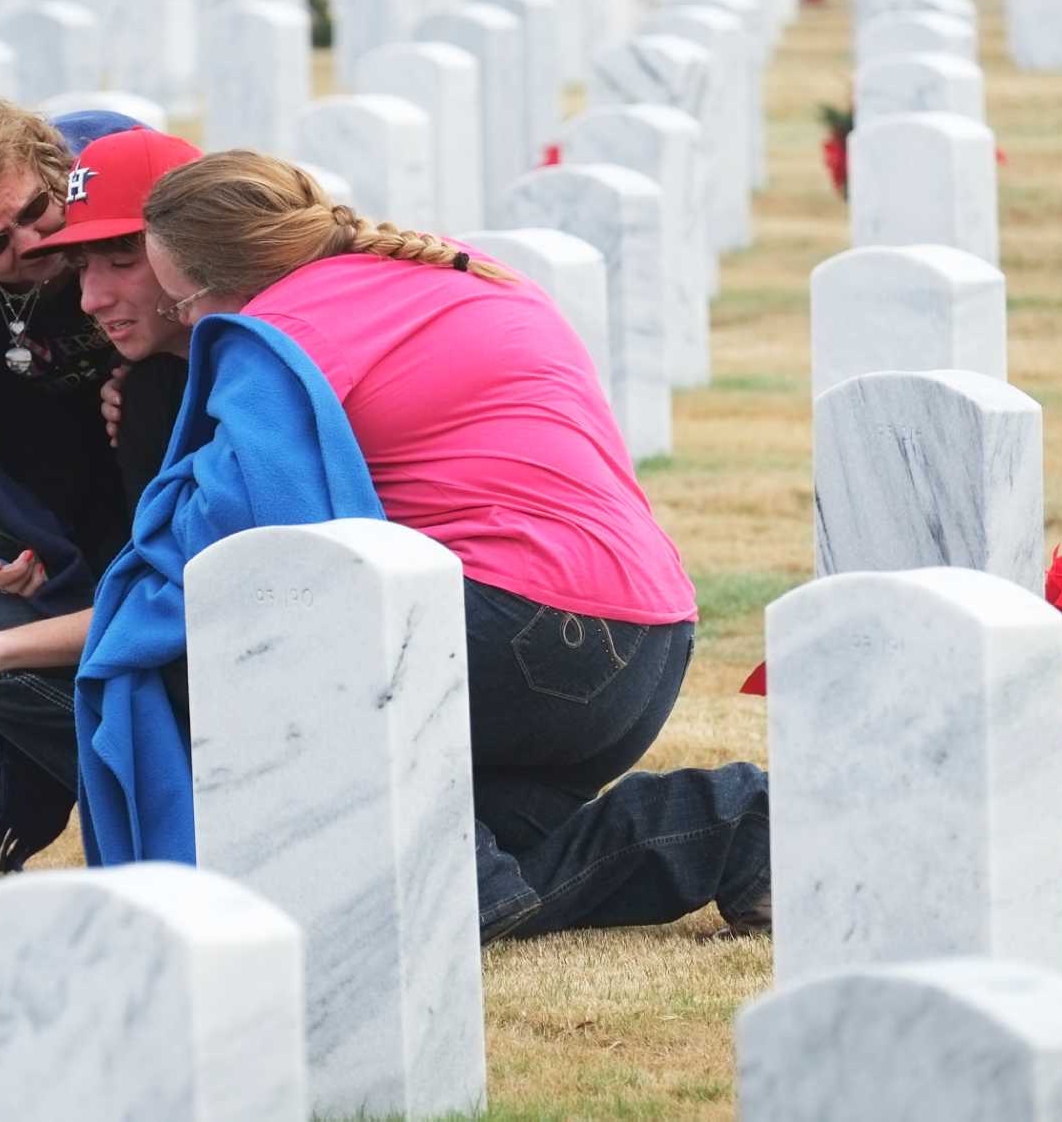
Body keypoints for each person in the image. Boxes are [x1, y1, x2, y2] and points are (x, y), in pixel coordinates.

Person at [84, 149, 770, 941]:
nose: (192, 326)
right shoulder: (453, 269)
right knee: (428, 878)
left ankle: (455, 880)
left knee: (220, 658)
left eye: (185, 303)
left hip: (511, 632)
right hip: (647, 641)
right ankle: (737, 825)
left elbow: (244, 540)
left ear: (225, 282)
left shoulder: (276, 332)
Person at [0, 100, 200, 865]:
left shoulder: (121, 185)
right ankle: (154, 807)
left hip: (178, 511)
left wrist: (173, 376)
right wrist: (7, 545)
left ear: (57, 169)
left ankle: (189, 796)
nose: (36, 244)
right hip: (82, 547)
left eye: (35, 210)